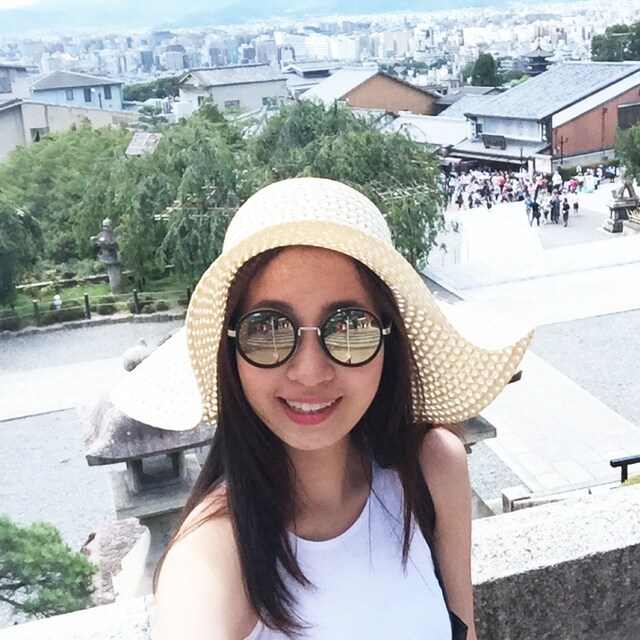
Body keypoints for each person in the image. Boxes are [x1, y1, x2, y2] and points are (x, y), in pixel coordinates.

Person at [110, 178, 532, 640]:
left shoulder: (431, 470)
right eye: (267, 330)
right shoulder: (213, 552)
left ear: (389, 340)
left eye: (350, 327)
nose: (310, 372)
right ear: (230, 350)